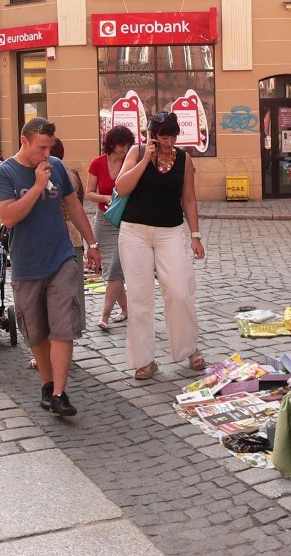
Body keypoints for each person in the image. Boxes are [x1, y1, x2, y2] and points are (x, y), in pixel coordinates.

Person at [0, 118, 101, 417]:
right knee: (37, 333)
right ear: (24, 141)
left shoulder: (55, 166)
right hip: (27, 263)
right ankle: (47, 383)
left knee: (63, 326)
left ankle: (59, 393)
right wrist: (37, 185)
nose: (46, 154)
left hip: (61, 257)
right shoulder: (4, 173)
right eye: (41, 147)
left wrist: (92, 244)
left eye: (49, 147)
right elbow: (9, 217)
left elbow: (74, 205)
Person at [116, 112, 205, 381]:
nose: (169, 142)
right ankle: (144, 360)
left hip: (171, 231)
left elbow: (188, 198)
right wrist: (145, 159)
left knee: (180, 290)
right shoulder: (137, 152)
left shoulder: (184, 159)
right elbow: (121, 187)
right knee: (140, 298)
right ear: (152, 135)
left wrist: (195, 235)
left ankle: (189, 348)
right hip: (135, 232)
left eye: (174, 136)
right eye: (164, 136)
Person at [86, 125, 133, 330]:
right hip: (103, 220)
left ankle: (104, 315)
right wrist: (105, 197)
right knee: (109, 269)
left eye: (127, 145)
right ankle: (125, 310)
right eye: (122, 145)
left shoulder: (130, 162)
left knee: (115, 269)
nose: (125, 149)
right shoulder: (97, 163)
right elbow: (89, 193)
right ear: (112, 144)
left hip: (125, 220)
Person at [50, 138, 87, 330]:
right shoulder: (72, 174)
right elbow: (79, 202)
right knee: (74, 288)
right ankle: (72, 327)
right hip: (74, 234)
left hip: (55, 233)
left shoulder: (47, 174)